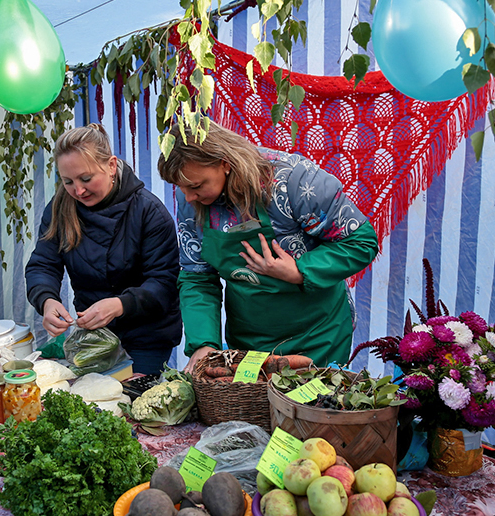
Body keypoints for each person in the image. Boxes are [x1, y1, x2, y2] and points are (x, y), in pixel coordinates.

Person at [157, 121, 379, 372]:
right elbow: (197, 277)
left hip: (318, 336)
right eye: (181, 188)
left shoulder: (295, 181)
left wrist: (300, 270)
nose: (188, 197)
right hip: (249, 343)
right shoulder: (191, 197)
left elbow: (361, 242)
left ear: (224, 163)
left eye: (196, 186)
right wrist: (204, 342)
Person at [25, 123, 182, 375]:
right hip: (93, 336)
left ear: (111, 166)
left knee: (134, 397)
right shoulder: (60, 208)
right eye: (67, 181)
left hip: (148, 339)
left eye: (86, 179)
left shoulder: (149, 212)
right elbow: (43, 264)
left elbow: (164, 282)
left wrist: (120, 304)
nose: (78, 190)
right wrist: (46, 300)